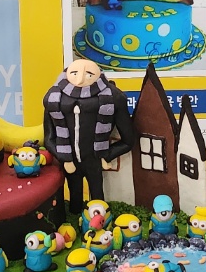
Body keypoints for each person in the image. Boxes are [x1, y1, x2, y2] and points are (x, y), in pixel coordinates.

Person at [42, 58, 136, 217]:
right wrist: (64, 158)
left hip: (95, 160)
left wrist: (107, 155)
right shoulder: (54, 99)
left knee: (98, 196)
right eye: (75, 73)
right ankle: (74, 217)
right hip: (70, 161)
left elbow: (128, 140)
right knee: (74, 199)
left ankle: (99, 221)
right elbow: (49, 138)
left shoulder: (113, 98)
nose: (80, 79)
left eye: (88, 74)